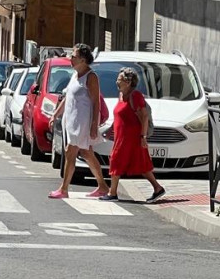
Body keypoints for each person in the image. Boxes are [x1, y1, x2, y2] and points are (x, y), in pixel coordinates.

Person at [48, 44, 110, 200]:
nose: (71, 59)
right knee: (87, 153)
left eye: (74, 56)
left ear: (83, 60)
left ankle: (64, 189)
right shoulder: (75, 75)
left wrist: (94, 126)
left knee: (70, 151)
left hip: (83, 122)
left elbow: (96, 103)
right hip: (72, 121)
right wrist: (55, 114)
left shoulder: (91, 77)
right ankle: (102, 186)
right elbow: (68, 96)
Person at [101, 67, 166, 203]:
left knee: (116, 159)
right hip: (121, 136)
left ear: (128, 82)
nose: (116, 82)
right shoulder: (121, 96)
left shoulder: (135, 96)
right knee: (141, 164)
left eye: (119, 80)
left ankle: (112, 192)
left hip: (131, 138)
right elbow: (120, 116)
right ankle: (158, 188)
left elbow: (144, 116)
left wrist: (143, 137)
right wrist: (110, 129)